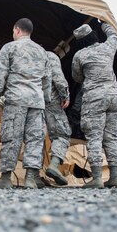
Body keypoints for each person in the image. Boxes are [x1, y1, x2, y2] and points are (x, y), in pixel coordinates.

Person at [0, 18, 50, 189]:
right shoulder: (41, 51)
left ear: (16, 30)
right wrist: (45, 99)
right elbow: (47, 79)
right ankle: (30, 178)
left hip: (16, 99)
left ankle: (5, 179)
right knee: (35, 139)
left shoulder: (9, 48)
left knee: (12, 138)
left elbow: (0, 74)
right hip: (37, 101)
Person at [72, 22, 117, 188]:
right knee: (111, 136)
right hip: (114, 95)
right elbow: (115, 35)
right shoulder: (108, 47)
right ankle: (115, 177)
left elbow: (77, 78)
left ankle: (97, 178)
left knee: (94, 137)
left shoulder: (80, 55)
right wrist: (104, 23)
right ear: (93, 35)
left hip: (95, 98)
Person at [44, 51, 71, 186]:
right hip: (51, 101)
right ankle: (54, 166)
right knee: (62, 135)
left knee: (35, 138)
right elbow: (58, 77)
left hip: (29, 101)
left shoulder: (24, 55)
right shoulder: (50, 56)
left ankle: (32, 176)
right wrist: (65, 95)